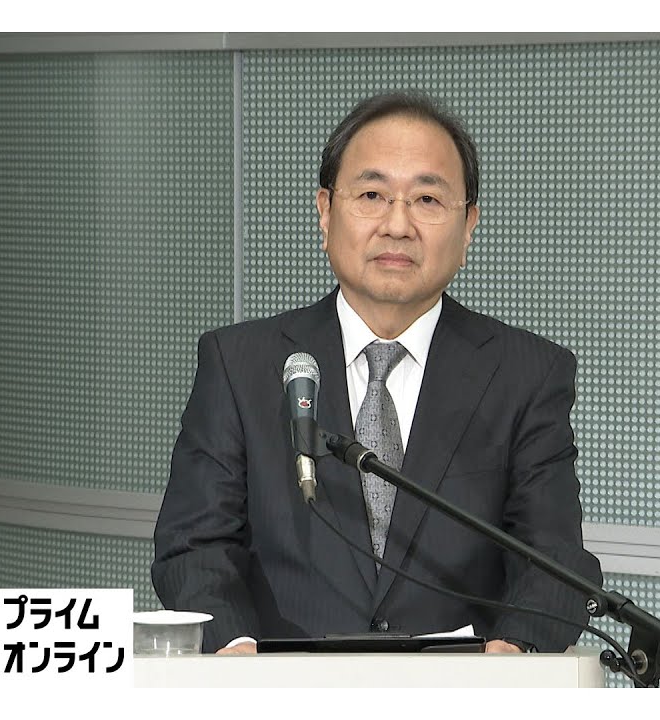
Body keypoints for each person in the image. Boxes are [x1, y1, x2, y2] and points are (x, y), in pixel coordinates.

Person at [151, 91, 602, 654]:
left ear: (468, 226)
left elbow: (554, 557)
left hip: (459, 688)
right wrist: (233, 647)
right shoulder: (239, 363)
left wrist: (517, 649)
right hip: (280, 686)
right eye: (372, 195)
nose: (398, 225)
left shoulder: (526, 373)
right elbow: (193, 544)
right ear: (325, 212)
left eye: (427, 199)